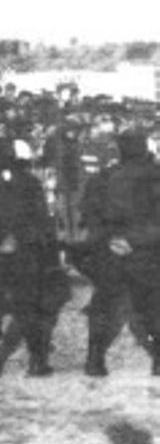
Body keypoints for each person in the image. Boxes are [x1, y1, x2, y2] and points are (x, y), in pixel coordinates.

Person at [0, 138, 63, 378]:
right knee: (28, 308)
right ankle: (37, 362)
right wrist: (17, 238)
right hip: (24, 253)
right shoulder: (31, 183)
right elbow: (40, 220)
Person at [80, 129, 160, 377]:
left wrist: (112, 239)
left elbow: (89, 215)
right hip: (147, 253)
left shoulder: (102, 178)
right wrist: (133, 241)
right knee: (153, 306)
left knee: (104, 306)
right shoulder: (155, 177)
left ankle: (95, 360)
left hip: (110, 252)